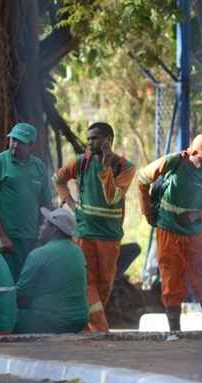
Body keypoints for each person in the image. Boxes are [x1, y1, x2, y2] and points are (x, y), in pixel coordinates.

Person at [53, 122, 136, 332]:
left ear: (108, 140)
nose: (90, 142)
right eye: (88, 138)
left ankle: (88, 330)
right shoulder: (81, 163)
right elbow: (58, 179)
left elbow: (112, 198)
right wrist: (69, 202)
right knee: (86, 282)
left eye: (95, 138)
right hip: (84, 233)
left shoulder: (125, 167)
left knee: (104, 286)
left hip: (109, 237)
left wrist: (106, 166)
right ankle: (100, 330)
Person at [137, 134, 202, 332]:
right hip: (169, 230)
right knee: (171, 276)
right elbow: (142, 179)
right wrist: (148, 212)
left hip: (195, 232)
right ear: (191, 152)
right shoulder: (172, 162)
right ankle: (174, 330)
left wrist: (199, 214)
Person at [0, 123, 52, 280]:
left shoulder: (39, 167)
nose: (15, 144)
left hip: (32, 240)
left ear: (31, 145)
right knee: (6, 282)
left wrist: (44, 235)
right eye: (13, 139)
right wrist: (2, 235)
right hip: (7, 241)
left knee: (29, 284)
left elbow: (46, 204)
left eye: (20, 141)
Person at [15, 208, 88, 334]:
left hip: (53, 322)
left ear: (54, 229)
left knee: (8, 315)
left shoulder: (38, 254)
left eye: (44, 224)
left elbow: (21, 295)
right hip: (80, 320)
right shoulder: (78, 251)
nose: (40, 227)